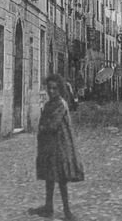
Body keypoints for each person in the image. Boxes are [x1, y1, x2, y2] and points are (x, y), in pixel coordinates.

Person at [28, 74, 84, 221]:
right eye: (49, 88)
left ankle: (67, 211)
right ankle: (48, 207)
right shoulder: (49, 104)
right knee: (49, 176)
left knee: (62, 178)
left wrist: (43, 126)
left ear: (59, 89)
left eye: (54, 88)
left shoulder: (60, 104)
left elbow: (52, 125)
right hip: (49, 145)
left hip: (60, 145)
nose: (51, 91)